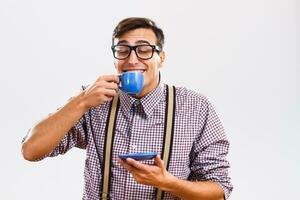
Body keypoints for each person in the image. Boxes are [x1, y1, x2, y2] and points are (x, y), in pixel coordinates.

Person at [22, 17, 233, 200]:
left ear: (161, 58)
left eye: (143, 50)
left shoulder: (195, 107)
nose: (132, 60)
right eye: (122, 50)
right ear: (115, 59)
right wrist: (81, 101)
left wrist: (169, 183)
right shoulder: (92, 100)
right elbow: (31, 150)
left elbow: (219, 191)